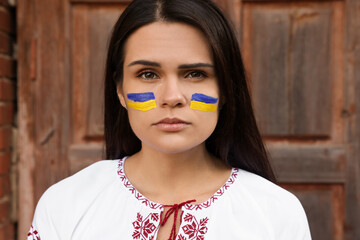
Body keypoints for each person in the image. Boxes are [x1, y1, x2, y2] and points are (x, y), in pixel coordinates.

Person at [27, 0, 312, 239]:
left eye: (195, 74)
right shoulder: (66, 203)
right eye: (148, 74)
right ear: (120, 90)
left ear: (224, 89)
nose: (172, 96)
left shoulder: (277, 213)